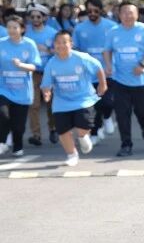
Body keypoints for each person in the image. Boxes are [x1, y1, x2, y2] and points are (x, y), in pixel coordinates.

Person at [40, 30, 108, 166]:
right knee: (63, 130)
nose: (61, 45)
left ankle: (83, 136)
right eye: (58, 43)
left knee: (83, 126)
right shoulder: (51, 63)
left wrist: (102, 84)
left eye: (64, 42)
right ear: (54, 45)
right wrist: (46, 92)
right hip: (61, 102)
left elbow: (98, 67)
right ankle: (71, 154)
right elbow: (46, 83)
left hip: (83, 99)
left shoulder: (81, 58)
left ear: (71, 44)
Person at [103, 2, 144, 157]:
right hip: (120, 80)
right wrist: (108, 65)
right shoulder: (113, 32)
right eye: (124, 13)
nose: (128, 16)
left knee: (142, 112)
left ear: (137, 15)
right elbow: (107, 50)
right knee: (122, 114)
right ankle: (126, 144)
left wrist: (142, 64)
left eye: (131, 13)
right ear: (119, 15)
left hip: (142, 80)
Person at [72, 0, 117, 139]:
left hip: (107, 71)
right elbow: (75, 49)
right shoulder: (79, 28)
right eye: (89, 11)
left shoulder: (111, 26)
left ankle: (107, 117)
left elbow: (117, 46)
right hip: (88, 73)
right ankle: (95, 132)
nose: (92, 13)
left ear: (101, 10)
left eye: (95, 11)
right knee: (95, 105)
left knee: (108, 102)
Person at [0, 15, 42, 156]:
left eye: (15, 27)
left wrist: (21, 65)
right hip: (3, 89)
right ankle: (2, 142)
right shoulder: (1, 43)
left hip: (22, 92)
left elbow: (34, 66)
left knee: (18, 126)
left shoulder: (29, 44)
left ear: (22, 29)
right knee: (3, 116)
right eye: (9, 27)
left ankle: (17, 147)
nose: (11, 30)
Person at [24, 5, 57, 146]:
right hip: (32, 74)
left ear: (45, 18)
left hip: (49, 73)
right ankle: (36, 134)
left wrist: (47, 49)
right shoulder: (26, 32)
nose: (35, 19)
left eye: (38, 17)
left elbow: (60, 50)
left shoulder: (52, 33)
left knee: (51, 104)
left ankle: (53, 128)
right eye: (32, 17)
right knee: (34, 104)